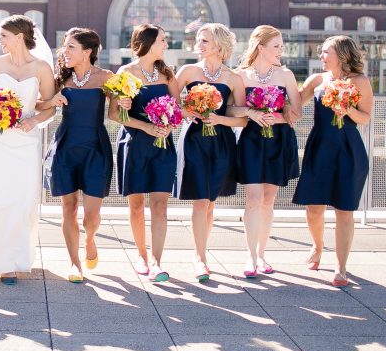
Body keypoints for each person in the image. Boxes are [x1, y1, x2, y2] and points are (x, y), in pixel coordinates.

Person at [0, 15, 56, 285]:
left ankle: (15, 258)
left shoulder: (42, 68)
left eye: (4, 36)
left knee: (22, 198)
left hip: (27, 139)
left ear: (19, 37)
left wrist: (32, 120)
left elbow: (49, 106)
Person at [293, 35, 373, 287]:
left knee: (344, 210)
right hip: (319, 148)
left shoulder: (360, 81)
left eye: (326, 51)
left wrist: (346, 109)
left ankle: (341, 267)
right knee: (313, 208)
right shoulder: (317, 80)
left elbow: (366, 118)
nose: (321, 56)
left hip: (348, 149)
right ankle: (317, 247)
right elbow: (294, 105)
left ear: (342, 53)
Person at [174, 23, 246, 282]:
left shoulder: (233, 78)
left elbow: (241, 118)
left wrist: (219, 120)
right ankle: (200, 258)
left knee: (210, 202)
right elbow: (170, 104)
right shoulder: (187, 71)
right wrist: (189, 112)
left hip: (221, 142)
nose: (198, 44)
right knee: (200, 199)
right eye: (198, 40)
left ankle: (201, 251)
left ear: (219, 45)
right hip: (193, 140)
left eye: (204, 41)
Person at [42, 27, 115, 283]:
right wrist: (52, 101)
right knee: (68, 208)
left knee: (91, 216)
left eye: (71, 47)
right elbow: (41, 104)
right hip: (65, 147)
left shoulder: (107, 78)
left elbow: (116, 115)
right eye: (64, 46)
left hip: (96, 148)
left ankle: (91, 239)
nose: (65, 52)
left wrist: (126, 104)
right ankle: (74, 264)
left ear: (87, 52)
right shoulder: (60, 78)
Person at [231, 25, 301, 279]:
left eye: (281, 46)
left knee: (269, 199)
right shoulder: (240, 76)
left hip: (279, 140)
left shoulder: (286, 75)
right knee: (253, 198)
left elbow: (297, 112)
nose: (281, 50)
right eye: (276, 46)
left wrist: (277, 118)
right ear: (261, 48)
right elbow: (231, 110)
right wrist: (251, 112)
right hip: (251, 140)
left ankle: (262, 254)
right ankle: (249, 256)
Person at [110, 24, 177, 282]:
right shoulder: (125, 73)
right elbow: (115, 114)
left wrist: (168, 125)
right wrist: (146, 126)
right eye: (162, 40)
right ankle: (141, 255)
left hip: (163, 145)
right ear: (148, 42)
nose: (166, 45)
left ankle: (157, 262)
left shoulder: (167, 74)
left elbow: (177, 109)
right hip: (134, 143)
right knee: (137, 206)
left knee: (160, 206)